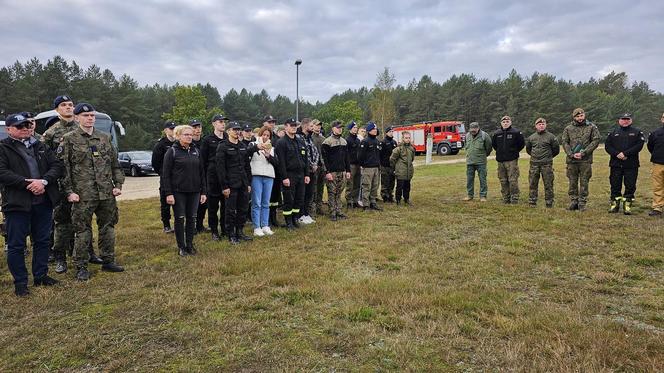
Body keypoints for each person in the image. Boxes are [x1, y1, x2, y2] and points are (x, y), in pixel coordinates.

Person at [0, 113, 64, 296]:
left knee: (43, 241)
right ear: (9, 129)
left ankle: (41, 275)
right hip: (17, 204)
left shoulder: (40, 146)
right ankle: (20, 282)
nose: (25, 129)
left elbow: (57, 166)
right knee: (16, 245)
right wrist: (28, 183)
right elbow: (2, 173)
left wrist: (43, 182)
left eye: (28, 125)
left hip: (43, 202)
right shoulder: (3, 148)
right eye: (20, 126)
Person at [60, 103, 124, 281]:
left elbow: (114, 164)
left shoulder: (104, 138)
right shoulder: (69, 139)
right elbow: (64, 169)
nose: (90, 118)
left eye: (92, 115)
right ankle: (81, 266)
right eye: (86, 115)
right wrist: (69, 192)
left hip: (106, 193)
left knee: (108, 228)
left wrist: (118, 184)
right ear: (77, 117)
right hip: (82, 195)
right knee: (82, 231)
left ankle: (108, 261)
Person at [43, 95, 103, 273]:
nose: (68, 107)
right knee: (63, 222)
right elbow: (43, 158)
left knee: (84, 221)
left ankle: (88, 252)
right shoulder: (51, 133)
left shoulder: (83, 128)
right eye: (63, 105)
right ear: (57, 109)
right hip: (62, 184)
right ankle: (60, 256)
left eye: (70, 105)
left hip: (84, 185)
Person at [162, 125, 207, 255]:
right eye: (186, 134)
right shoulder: (172, 151)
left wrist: (203, 191)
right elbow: (166, 175)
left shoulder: (196, 151)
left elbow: (201, 172)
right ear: (178, 136)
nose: (189, 137)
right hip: (178, 192)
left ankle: (190, 245)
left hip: (194, 191)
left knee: (191, 218)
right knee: (180, 219)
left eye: (190, 134)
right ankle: (181, 247)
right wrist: (169, 193)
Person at [216, 122, 261, 243]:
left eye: (238, 129)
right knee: (230, 210)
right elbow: (220, 168)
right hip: (231, 184)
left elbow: (247, 166)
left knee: (243, 208)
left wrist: (248, 183)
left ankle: (239, 231)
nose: (237, 132)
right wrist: (224, 186)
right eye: (234, 129)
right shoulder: (223, 146)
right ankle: (231, 234)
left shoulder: (242, 146)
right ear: (228, 131)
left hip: (243, 183)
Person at [604, 113, 645, 214]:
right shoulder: (613, 133)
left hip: (631, 164)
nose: (625, 121)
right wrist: (617, 154)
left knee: (630, 185)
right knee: (615, 184)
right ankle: (615, 204)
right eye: (623, 119)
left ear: (631, 121)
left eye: (627, 119)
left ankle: (627, 204)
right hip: (616, 164)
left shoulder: (637, 132)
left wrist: (625, 153)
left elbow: (639, 145)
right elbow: (607, 146)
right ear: (619, 120)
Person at [561, 108, 601, 211]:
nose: (580, 118)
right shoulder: (568, 128)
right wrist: (571, 154)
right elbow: (565, 142)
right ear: (574, 117)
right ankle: (574, 201)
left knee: (584, 181)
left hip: (585, 160)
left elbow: (595, 141)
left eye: (581, 116)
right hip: (572, 160)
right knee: (572, 181)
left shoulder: (592, 127)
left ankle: (582, 202)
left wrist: (584, 152)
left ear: (584, 115)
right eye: (577, 116)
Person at [275, 118, 310, 230]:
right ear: (285, 127)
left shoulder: (300, 141)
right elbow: (281, 162)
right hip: (289, 175)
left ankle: (295, 219)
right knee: (289, 199)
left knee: (299, 198)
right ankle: (288, 222)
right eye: (291, 125)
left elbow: (305, 160)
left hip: (301, 174)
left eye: (295, 125)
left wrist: (307, 174)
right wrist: (284, 177)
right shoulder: (281, 142)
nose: (294, 127)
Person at [200, 115, 228, 241]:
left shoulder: (228, 138)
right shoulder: (207, 139)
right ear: (213, 124)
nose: (223, 124)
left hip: (226, 177)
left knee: (226, 206)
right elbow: (202, 161)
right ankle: (214, 231)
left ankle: (225, 228)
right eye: (220, 122)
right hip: (212, 177)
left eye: (224, 122)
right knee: (213, 206)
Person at [525, 118, 560, 208]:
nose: (541, 125)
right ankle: (532, 201)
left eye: (543, 124)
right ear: (536, 126)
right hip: (534, 164)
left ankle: (549, 202)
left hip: (546, 164)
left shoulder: (551, 137)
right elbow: (528, 150)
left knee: (548, 184)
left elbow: (556, 150)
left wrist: (548, 157)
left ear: (545, 125)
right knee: (533, 184)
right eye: (539, 124)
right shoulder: (531, 137)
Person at [250, 126, 278, 236]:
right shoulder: (253, 145)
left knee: (266, 202)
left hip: (269, 176)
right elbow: (248, 155)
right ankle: (256, 227)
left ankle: (265, 225)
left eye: (268, 135)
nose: (265, 137)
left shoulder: (272, 148)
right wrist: (258, 147)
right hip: (256, 175)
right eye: (264, 135)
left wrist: (268, 155)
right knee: (256, 202)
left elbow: (276, 162)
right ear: (260, 134)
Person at [491, 115, 525, 204]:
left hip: (512, 160)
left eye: (507, 122)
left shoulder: (516, 132)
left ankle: (514, 198)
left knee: (513, 180)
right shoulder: (496, 133)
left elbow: (521, 144)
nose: (505, 123)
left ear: (510, 122)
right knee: (503, 180)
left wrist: (513, 152)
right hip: (500, 160)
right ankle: (506, 198)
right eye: (504, 122)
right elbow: (494, 145)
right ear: (501, 123)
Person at [321, 121, 351, 221]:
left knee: (339, 192)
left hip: (342, 171)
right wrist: (327, 172)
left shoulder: (344, 141)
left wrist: (348, 170)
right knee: (331, 192)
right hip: (332, 171)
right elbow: (324, 159)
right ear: (333, 128)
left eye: (341, 127)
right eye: (338, 127)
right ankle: (332, 212)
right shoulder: (327, 142)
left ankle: (339, 211)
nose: (340, 129)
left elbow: (347, 157)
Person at [152, 121, 177, 233]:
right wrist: (163, 173)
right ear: (166, 130)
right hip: (166, 177)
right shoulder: (161, 145)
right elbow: (155, 163)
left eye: (174, 128)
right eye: (171, 129)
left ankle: (179, 223)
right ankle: (166, 225)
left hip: (178, 177)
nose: (173, 130)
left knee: (178, 202)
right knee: (165, 202)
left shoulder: (179, 143)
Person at [300, 118, 323, 224]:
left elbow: (315, 151)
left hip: (312, 170)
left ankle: (306, 214)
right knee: (303, 193)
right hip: (305, 170)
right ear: (305, 126)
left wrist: (315, 163)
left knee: (309, 193)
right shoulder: (300, 138)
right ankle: (300, 215)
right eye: (311, 126)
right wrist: (311, 164)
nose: (313, 128)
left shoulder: (309, 138)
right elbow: (304, 154)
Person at [463, 122, 492, 201]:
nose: (473, 130)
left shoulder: (484, 135)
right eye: (472, 128)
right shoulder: (467, 136)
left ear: (478, 128)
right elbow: (466, 146)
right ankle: (469, 195)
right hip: (470, 162)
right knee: (469, 180)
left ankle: (483, 196)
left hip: (481, 162)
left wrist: (483, 156)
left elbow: (489, 148)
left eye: (475, 128)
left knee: (482, 179)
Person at [188, 119, 208, 233]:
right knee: (192, 202)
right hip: (192, 175)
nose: (197, 129)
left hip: (204, 174)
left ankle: (200, 225)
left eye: (199, 127)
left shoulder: (204, 142)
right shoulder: (188, 143)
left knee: (203, 202)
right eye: (195, 127)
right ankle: (192, 226)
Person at [358, 122, 383, 211]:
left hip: (376, 167)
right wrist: (363, 165)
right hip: (367, 168)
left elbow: (379, 154)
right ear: (369, 131)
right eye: (373, 129)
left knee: (374, 186)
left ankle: (373, 202)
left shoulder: (377, 141)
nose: (375, 131)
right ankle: (366, 205)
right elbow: (360, 156)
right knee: (366, 186)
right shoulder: (365, 141)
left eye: (376, 129)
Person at [390, 131, 415, 205]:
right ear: (403, 139)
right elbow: (392, 159)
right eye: (406, 138)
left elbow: (412, 159)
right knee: (399, 187)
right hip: (400, 171)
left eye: (409, 138)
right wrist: (395, 168)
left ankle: (406, 199)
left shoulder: (411, 148)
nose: (408, 139)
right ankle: (398, 200)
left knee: (407, 186)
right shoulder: (398, 149)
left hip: (408, 171)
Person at [647, 113, 664, 216]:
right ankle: (657, 207)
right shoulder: (655, 133)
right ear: (662, 119)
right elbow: (650, 147)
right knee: (658, 186)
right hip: (658, 163)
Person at [311, 119, 327, 215]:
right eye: (316, 125)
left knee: (321, 188)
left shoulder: (323, 139)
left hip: (322, 166)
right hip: (313, 166)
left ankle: (319, 207)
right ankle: (312, 208)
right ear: (312, 126)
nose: (318, 127)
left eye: (319, 125)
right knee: (313, 188)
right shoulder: (310, 138)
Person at [345, 121, 361, 208]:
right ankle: (349, 200)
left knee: (357, 184)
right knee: (350, 184)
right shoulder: (347, 140)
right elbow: (345, 154)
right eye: (354, 127)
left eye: (356, 127)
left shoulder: (358, 140)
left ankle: (355, 200)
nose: (356, 129)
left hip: (358, 164)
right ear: (350, 129)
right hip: (351, 164)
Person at [380, 126, 398, 203]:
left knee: (392, 181)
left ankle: (390, 196)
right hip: (385, 165)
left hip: (392, 166)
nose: (391, 133)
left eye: (392, 132)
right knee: (385, 181)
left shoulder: (394, 142)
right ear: (386, 133)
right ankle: (385, 196)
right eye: (390, 132)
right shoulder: (383, 142)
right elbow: (380, 154)